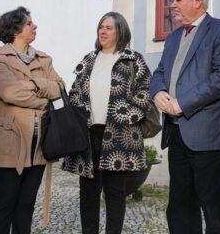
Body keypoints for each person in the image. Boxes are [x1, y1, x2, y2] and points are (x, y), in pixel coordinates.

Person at [149, 0, 220, 234]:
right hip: (176, 134)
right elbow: (160, 73)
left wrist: (181, 103)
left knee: (214, 208)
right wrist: (157, 93)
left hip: (208, 134)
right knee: (179, 205)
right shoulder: (174, 36)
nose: (172, 4)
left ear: (197, 1)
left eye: (178, 0)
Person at [62, 12, 152, 234]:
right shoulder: (89, 59)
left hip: (120, 132)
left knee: (115, 192)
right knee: (88, 192)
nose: (103, 31)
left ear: (120, 31)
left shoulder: (133, 59)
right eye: (101, 27)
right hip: (89, 132)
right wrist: (78, 115)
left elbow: (146, 91)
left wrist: (128, 115)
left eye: (109, 28)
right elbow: (75, 91)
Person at [0, 6, 65, 234]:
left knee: (26, 205)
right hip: (8, 143)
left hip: (38, 145)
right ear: (16, 30)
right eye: (29, 23)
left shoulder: (43, 60)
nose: (34, 26)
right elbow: (9, 92)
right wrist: (43, 101)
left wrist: (34, 84)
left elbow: (59, 87)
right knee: (3, 206)